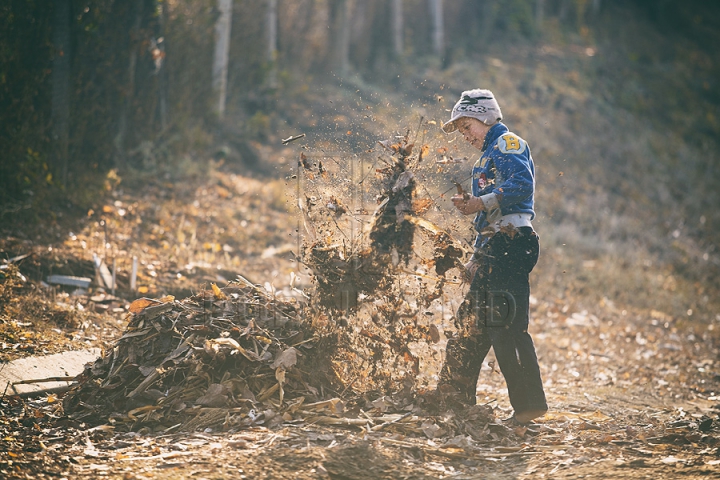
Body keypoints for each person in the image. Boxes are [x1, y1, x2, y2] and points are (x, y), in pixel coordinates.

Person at [437, 89, 547, 424]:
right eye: (459, 130)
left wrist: (478, 202)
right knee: (470, 323)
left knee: (508, 327)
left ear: (485, 117)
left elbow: (521, 184)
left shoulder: (507, 143)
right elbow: (488, 218)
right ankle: (452, 398)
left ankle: (529, 406)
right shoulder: (483, 158)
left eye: (466, 126)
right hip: (494, 247)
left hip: (513, 243)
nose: (464, 135)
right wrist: (476, 256)